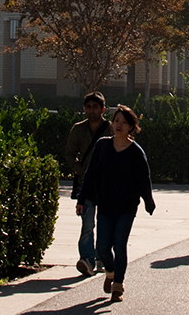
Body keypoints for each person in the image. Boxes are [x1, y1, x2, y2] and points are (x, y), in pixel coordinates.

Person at [77, 105, 155, 303]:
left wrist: (148, 201)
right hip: (105, 204)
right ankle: (110, 273)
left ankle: (118, 285)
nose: (119, 125)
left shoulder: (136, 152)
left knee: (119, 244)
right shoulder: (103, 146)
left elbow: (144, 179)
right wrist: (82, 199)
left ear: (131, 127)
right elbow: (90, 174)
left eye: (124, 122)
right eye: (116, 121)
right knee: (102, 247)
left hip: (127, 207)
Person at [65, 92, 113, 277]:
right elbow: (69, 154)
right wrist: (81, 170)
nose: (91, 111)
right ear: (84, 109)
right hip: (86, 185)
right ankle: (87, 259)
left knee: (105, 222)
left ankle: (103, 257)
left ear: (103, 109)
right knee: (87, 223)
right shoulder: (78, 129)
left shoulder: (111, 129)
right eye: (88, 107)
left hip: (108, 184)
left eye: (95, 107)